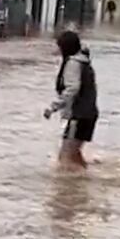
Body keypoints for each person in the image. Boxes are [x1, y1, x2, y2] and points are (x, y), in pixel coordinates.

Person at [44, 30, 99, 169]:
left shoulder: (73, 64)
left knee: (65, 157)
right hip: (88, 114)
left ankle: (75, 186)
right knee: (73, 154)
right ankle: (85, 181)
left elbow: (72, 89)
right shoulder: (84, 62)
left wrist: (53, 107)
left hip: (79, 115)